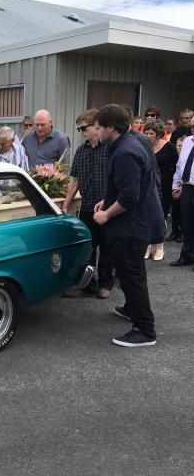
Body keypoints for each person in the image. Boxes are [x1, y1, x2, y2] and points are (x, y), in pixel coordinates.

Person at [93, 104, 164, 347]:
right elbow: (128, 187)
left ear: (111, 127)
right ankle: (131, 308)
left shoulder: (125, 152)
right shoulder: (124, 145)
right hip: (129, 225)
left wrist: (106, 214)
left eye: (99, 127)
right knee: (127, 273)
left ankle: (144, 330)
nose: (96, 131)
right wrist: (107, 200)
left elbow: (130, 197)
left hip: (131, 228)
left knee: (132, 277)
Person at [61, 109, 113, 299]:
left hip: (108, 208)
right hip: (87, 207)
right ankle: (88, 285)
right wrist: (66, 204)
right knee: (88, 249)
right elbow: (74, 180)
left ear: (95, 127)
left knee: (107, 249)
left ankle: (106, 284)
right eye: (79, 129)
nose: (81, 131)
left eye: (84, 128)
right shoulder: (81, 151)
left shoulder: (109, 149)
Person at [143, 120, 178, 261]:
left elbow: (177, 167)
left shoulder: (169, 147)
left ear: (158, 134)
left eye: (151, 133)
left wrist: (175, 186)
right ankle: (147, 246)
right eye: (146, 133)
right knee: (146, 216)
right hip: (147, 186)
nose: (148, 136)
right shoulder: (143, 146)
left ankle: (160, 247)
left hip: (164, 186)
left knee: (160, 217)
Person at [170, 116, 194, 268]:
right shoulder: (187, 141)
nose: (193, 129)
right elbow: (180, 165)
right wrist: (176, 185)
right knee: (187, 223)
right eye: (192, 127)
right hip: (187, 187)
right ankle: (187, 255)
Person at [169, 135, 187, 242]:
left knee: (183, 212)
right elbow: (177, 171)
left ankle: (182, 232)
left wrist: (181, 187)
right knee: (175, 211)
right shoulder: (177, 156)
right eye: (178, 145)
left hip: (185, 186)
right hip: (175, 186)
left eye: (181, 146)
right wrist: (175, 187)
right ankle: (174, 231)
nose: (179, 148)